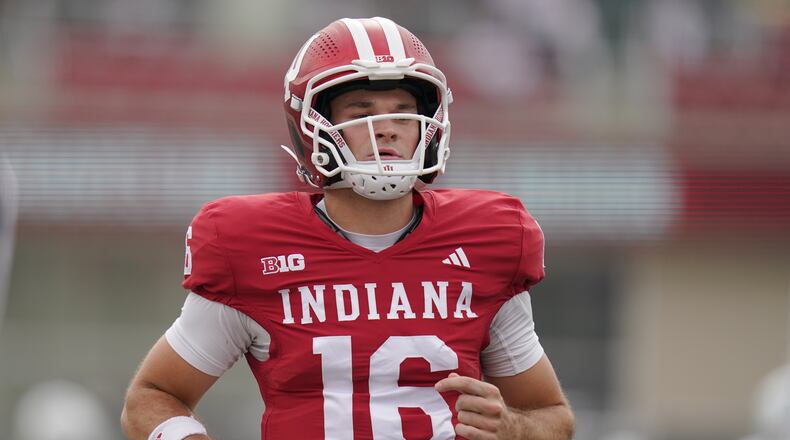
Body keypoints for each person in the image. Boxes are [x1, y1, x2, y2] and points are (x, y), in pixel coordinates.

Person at [121, 17, 575, 440]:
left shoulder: (486, 240)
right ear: (312, 123)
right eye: (362, 112)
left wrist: (514, 428)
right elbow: (153, 396)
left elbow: (552, 417)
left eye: (402, 112)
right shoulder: (251, 247)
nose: (389, 130)